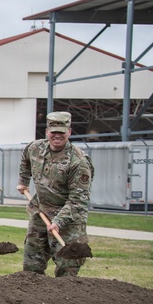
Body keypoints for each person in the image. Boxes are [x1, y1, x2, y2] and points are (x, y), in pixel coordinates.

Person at [16, 112, 93, 277]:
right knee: (31, 263)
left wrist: (58, 222)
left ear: (69, 132)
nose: (57, 135)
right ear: (47, 132)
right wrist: (23, 181)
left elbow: (78, 201)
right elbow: (25, 159)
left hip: (68, 218)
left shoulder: (78, 162)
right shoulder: (35, 148)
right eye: (53, 131)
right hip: (41, 211)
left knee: (67, 268)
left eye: (62, 132)